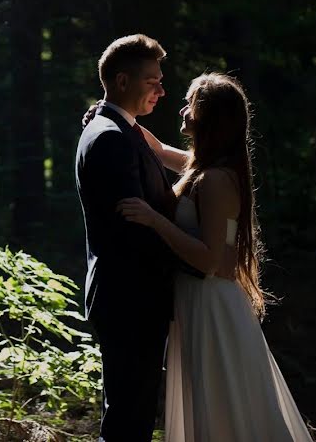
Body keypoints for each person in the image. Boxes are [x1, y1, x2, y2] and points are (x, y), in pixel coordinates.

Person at [117, 72, 312, 441]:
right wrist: (111, 114)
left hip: (211, 304)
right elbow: (156, 151)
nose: (182, 109)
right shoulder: (201, 168)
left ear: (210, 116)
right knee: (213, 404)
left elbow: (209, 261)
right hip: (197, 301)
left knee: (224, 404)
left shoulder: (216, 180)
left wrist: (154, 219)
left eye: (190, 104)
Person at [75, 34, 202, 441]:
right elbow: (131, 233)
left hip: (132, 296)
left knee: (135, 409)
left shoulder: (120, 130)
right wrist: (199, 263)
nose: (162, 90)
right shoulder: (110, 137)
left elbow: (164, 157)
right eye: (153, 80)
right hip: (129, 296)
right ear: (123, 81)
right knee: (129, 415)